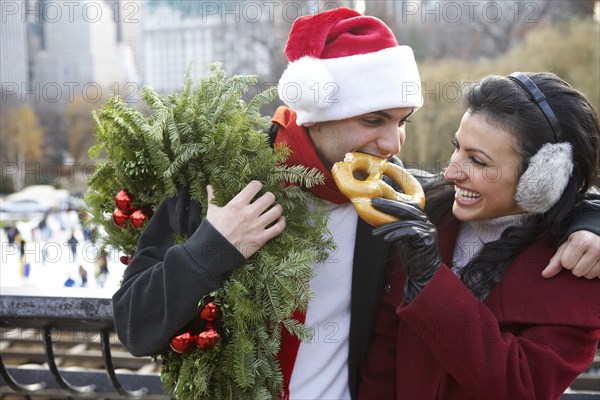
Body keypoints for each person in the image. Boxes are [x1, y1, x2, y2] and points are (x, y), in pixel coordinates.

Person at [112, 8, 600, 400]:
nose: (393, 143)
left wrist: (590, 220)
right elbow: (136, 327)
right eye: (374, 119)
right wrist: (212, 247)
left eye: (403, 120)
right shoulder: (220, 184)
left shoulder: (391, 204)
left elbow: (519, 200)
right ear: (320, 112)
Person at [358, 72, 600, 399]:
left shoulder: (577, 270)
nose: (451, 172)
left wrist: (432, 282)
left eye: (478, 161)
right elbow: (382, 363)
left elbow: (521, 387)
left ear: (543, 178)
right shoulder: (428, 215)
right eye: (457, 148)